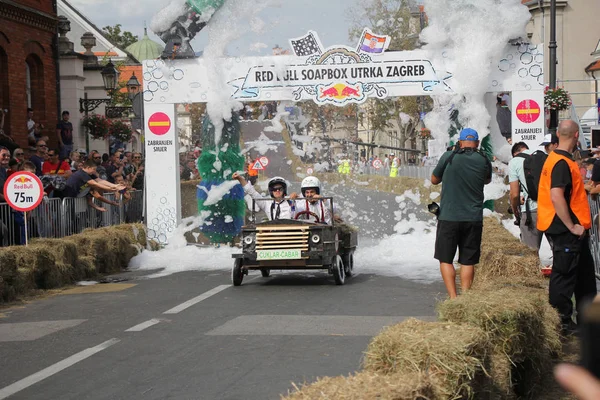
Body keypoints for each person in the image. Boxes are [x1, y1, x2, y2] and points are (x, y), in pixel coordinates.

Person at [536, 120, 597, 334]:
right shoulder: (561, 163)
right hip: (565, 229)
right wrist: (572, 226)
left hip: (568, 228)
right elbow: (556, 196)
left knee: (584, 276)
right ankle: (561, 322)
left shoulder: (555, 159)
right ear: (576, 136)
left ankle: (587, 322)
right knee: (564, 275)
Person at [431, 128, 492, 299]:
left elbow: (434, 179)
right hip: (473, 218)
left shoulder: (449, 157)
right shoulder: (483, 159)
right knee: (468, 260)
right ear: (478, 143)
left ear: (459, 142)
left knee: (446, 259)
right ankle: (466, 298)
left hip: (449, 217)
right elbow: (487, 180)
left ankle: (453, 297)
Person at [508, 142, 544, 250]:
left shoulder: (514, 162)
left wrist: (515, 211)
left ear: (515, 153)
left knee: (530, 253)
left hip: (531, 211)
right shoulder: (541, 157)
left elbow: (514, 195)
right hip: (549, 209)